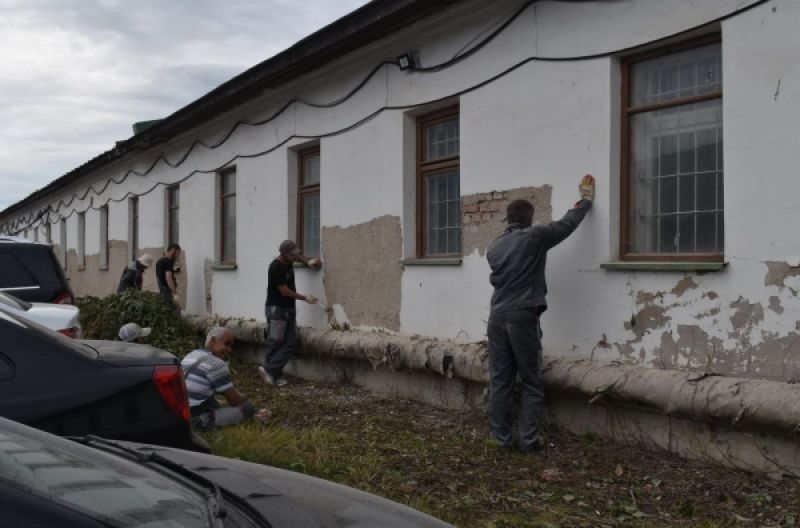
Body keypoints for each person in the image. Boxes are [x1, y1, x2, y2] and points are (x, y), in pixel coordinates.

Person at [486, 174, 595, 453]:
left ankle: (501, 440)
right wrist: (584, 202)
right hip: (522, 315)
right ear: (530, 219)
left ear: (508, 220)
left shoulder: (495, 246)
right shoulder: (534, 236)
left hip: (496, 316)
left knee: (501, 380)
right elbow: (566, 226)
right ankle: (528, 440)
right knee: (532, 381)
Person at [257, 240, 321, 387]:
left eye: (296, 254)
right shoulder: (276, 267)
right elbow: (284, 291)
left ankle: (270, 371)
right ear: (284, 254)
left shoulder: (289, 260)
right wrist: (305, 298)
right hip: (277, 310)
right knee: (275, 343)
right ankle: (273, 374)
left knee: (291, 343)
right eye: (292, 256)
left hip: (288, 309)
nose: (295, 258)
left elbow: (299, 257)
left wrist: (308, 261)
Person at [181, 327, 258, 429]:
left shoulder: (191, 354)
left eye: (231, 346)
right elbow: (234, 400)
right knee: (248, 408)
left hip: (179, 413)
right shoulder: (216, 364)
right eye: (227, 344)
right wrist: (247, 396)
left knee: (215, 401)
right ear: (213, 341)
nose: (229, 350)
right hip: (195, 419)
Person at [156, 244, 181, 311]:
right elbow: (168, 278)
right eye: (177, 253)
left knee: (165, 306)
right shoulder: (168, 261)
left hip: (162, 287)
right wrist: (174, 292)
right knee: (171, 308)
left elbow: (161, 275)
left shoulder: (160, 261)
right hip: (166, 289)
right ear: (173, 251)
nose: (177, 256)